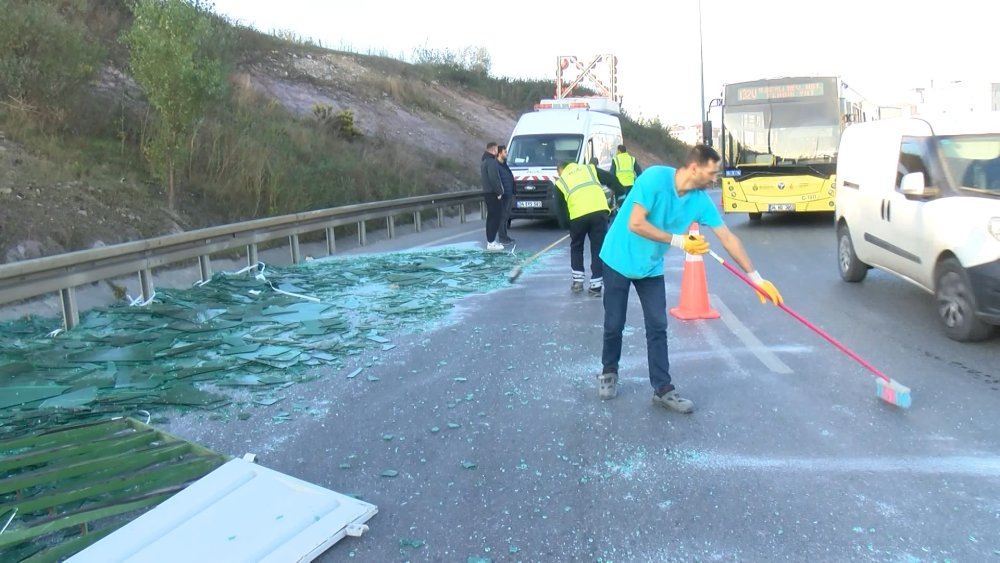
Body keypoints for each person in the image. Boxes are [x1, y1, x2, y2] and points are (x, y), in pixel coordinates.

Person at [597, 145, 783, 412]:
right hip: (618, 258)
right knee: (614, 323)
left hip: (650, 266)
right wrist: (680, 241)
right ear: (694, 168)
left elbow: (728, 238)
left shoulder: (699, 201)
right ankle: (609, 371)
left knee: (658, 326)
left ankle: (662, 388)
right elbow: (635, 223)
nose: (714, 179)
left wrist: (756, 278)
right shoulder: (654, 179)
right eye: (711, 172)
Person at [552, 160, 625, 297]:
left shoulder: (560, 183)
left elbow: (561, 210)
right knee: (598, 248)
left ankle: (578, 282)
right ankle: (596, 286)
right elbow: (612, 179)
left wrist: (567, 226)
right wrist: (621, 196)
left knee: (577, 247)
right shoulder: (589, 169)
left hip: (577, 217)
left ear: (560, 170)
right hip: (599, 212)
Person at [479, 142, 504, 251]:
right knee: (495, 218)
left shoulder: (484, 161)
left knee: (490, 218)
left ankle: (490, 241)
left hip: (487, 192)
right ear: (493, 150)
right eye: (496, 150)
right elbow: (494, 178)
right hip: (493, 193)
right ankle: (492, 242)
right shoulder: (491, 162)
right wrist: (499, 192)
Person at [495, 144, 516, 245]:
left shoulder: (504, 165)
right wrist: (499, 192)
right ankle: (502, 238)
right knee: (502, 217)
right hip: (503, 195)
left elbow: (510, 178)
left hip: (509, 194)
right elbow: (496, 181)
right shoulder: (496, 166)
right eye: (505, 152)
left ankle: (505, 236)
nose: (507, 154)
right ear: (499, 153)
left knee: (506, 216)